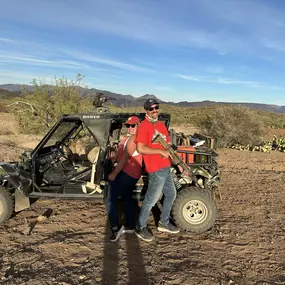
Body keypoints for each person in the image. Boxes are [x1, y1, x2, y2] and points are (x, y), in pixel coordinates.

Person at [135, 99, 180, 242]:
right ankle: (140, 227)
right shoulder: (144, 126)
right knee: (151, 199)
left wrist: (176, 162)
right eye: (151, 109)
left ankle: (163, 222)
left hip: (166, 166)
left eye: (156, 108)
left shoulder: (161, 125)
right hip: (155, 168)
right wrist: (159, 152)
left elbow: (166, 146)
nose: (154, 111)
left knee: (171, 193)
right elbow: (140, 148)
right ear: (146, 111)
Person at [106, 116, 143, 242]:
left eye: (133, 125)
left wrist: (114, 174)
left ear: (139, 125)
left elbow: (126, 157)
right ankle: (131, 225)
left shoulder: (134, 138)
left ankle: (115, 228)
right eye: (128, 125)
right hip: (128, 173)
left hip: (128, 173)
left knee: (110, 199)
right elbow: (121, 154)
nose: (130, 128)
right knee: (127, 199)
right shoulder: (128, 138)